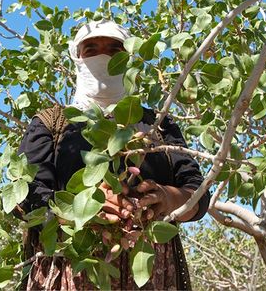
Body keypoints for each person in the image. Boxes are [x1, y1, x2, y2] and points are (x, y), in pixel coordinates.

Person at [14, 19, 210, 290]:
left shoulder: (158, 124)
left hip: (152, 273)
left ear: (128, 59)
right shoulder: (51, 122)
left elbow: (198, 195)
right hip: (71, 266)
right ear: (78, 58)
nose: (103, 56)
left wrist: (165, 198)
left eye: (115, 49)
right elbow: (27, 196)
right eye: (91, 49)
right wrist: (82, 212)